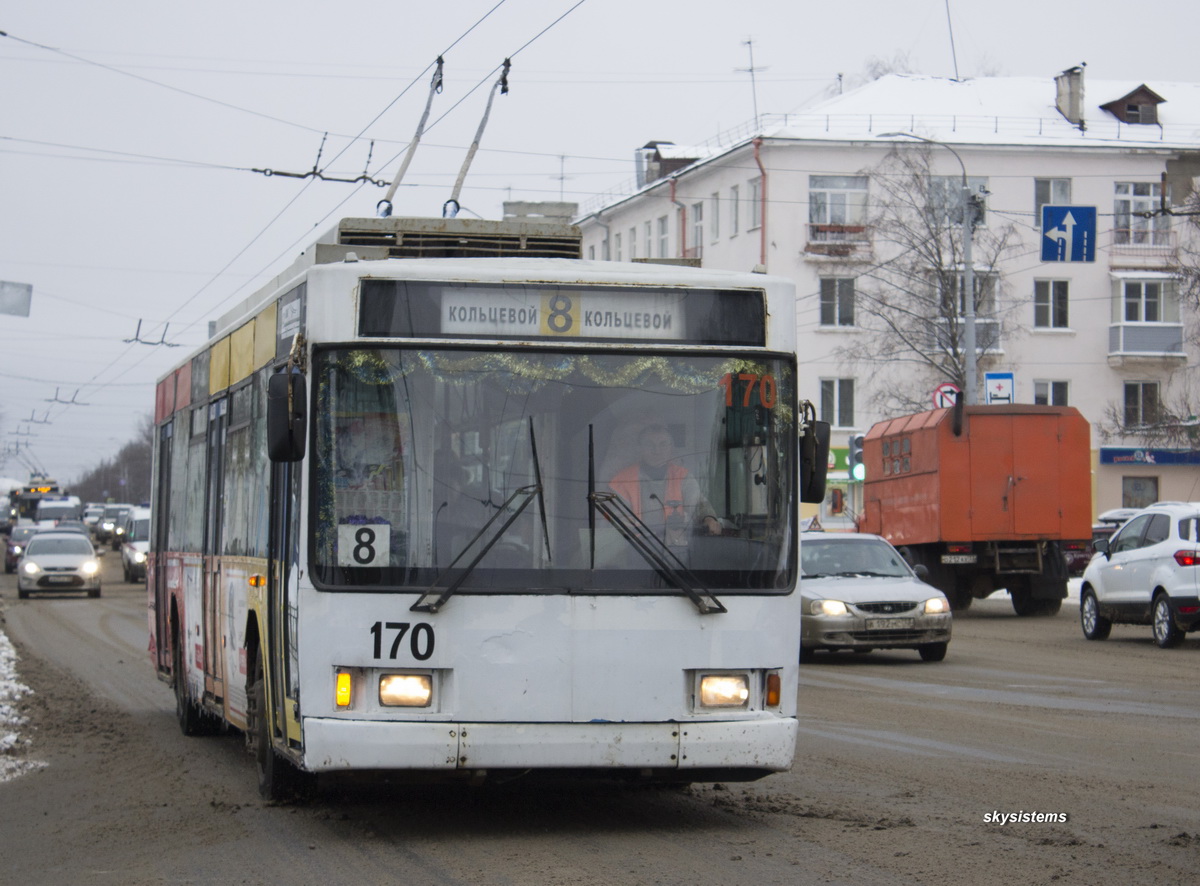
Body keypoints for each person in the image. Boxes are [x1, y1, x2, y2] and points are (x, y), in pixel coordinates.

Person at [608, 424, 721, 545]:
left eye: (663, 444)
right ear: (640, 448)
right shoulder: (622, 481)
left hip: (675, 552)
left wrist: (709, 518)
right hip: (636, 549)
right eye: (649, 444)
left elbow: (698, 503)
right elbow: (618, 524)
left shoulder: (683, 476)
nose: (656, 450)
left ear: (671, 448)